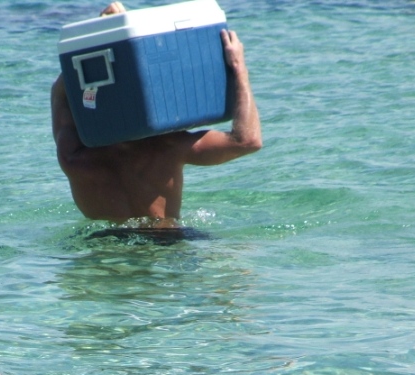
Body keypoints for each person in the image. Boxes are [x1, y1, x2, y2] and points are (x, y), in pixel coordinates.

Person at [51, 2, 263, 226]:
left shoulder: (74, 157)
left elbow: (63, 90)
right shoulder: (168, 147)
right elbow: (248, 141)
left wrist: (102, 40)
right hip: (165, 240)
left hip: (104, 241)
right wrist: (239, 67)